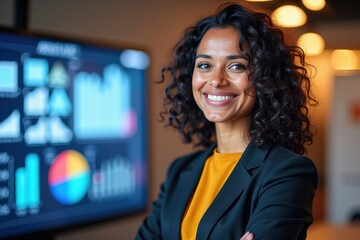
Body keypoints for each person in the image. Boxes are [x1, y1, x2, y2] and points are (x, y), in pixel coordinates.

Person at [136, 2, 318, 240]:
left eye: (236, 66)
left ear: (265, 78)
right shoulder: (180, 170)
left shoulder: (287, 172)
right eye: (205, 65)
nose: (216, 79)